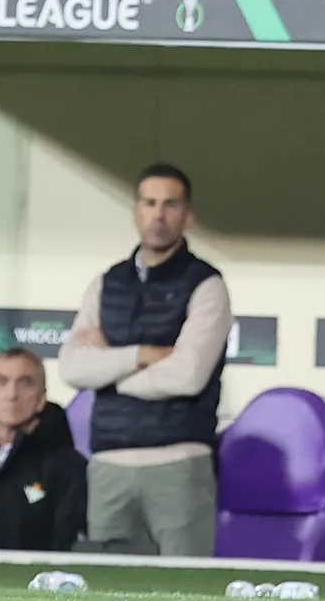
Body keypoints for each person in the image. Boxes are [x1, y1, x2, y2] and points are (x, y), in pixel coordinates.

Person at [59, 162, 232, 557]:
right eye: (149, 203)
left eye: (170, 204)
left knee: (186, 590)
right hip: (108, 465)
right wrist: (142, 355)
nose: (158, 214)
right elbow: (72, 366)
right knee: (107, 591)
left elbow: (187, 375)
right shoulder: (106, 282)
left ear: (188, 216)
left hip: (179, 465)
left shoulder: (207, 285)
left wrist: (108, 368)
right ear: (136, 211)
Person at [0, 348, 87, 551]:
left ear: (42, 398)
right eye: (2, 382)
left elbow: (65, 539)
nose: (12, 394)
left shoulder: (67, 466)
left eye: (25, 384)